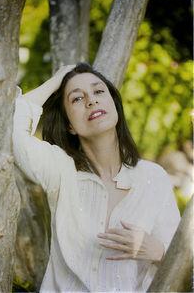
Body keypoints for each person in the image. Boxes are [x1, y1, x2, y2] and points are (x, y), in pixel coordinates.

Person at [12, 63, 181, 292]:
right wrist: (58, 79)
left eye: (99, 91)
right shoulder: (61, 170)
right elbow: (9, 129)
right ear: (70, 125)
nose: (91, 100)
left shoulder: (154, 178)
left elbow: (182, 264)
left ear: (114, 104)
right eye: (77, 99)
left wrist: (158, 252)